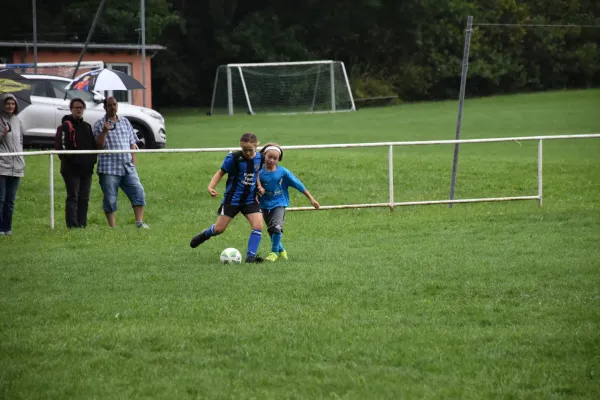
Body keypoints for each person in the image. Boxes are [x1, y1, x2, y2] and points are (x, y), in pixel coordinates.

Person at [189, 132, 265, 263]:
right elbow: (220, 173)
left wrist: (259, 186)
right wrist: (210, 187)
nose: (247, 153)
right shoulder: (233, 158)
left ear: (256, 146)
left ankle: (250, 257)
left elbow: (256, 173)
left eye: (250, 150)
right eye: (244, 149)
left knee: (258, 226)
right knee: (219, 229)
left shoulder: (260, 158)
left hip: (250, 200)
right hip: (232, 199)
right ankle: (205, 234)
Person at [92, 96, 149, 228]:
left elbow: (132, 143)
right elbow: (98, 146)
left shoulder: (125, 122)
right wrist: (105, 131)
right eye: (110, 105)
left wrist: (133, 161)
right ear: (104, 107)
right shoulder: (99, 124)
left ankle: (139, 223)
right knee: (110, 198)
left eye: (114, 105)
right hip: (109, 168)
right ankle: (112, 227)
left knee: (138, 192)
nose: (113, 107)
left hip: (127, 167)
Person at [258, 143, 320, 262]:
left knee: (276, 227)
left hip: (279, 202)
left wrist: (311, 199)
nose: (271, 160)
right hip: (264, 204)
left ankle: (274, 253)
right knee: (271, 230)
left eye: (275, 158)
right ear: (264, 155)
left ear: (278, 160)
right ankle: (281, 250)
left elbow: (298, 185)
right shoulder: (258, 172)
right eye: (269, 157)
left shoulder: (283, 172)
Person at [56, 98, 97, 228]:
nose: (79, 110)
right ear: (71, 109)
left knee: (84, 199)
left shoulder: (87, 127)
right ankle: (72, 225)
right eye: (76, 107)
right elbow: (62, 148)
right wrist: (72, 162)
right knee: (73, 196)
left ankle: (82, 225)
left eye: (81, 107)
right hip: (71, 170)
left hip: (86, 169)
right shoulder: (65, 126)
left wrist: (91, 162)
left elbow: (93, 147)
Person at [0, 94, 24, 237]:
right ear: (3, 105)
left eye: (13, 104)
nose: (10, 106)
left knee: (10, 201)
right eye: (8, 103)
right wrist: (3, 133)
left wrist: (21, 158)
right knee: (1, 199)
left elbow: (20, 141)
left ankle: (7, 228)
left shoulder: (17, 121)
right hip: (2, 165)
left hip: (17, 165)